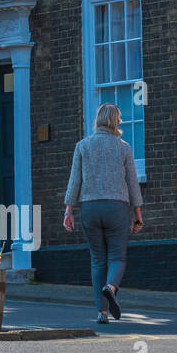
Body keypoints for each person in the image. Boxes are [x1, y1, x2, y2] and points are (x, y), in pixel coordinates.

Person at [63, 103, 144, 323]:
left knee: (97, 259)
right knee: (117, 256)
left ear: (98, 120)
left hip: (89, 208)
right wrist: (137, 212)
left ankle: (102, 312)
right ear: (116, 121)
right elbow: (132, 182)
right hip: (117, 207)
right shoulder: (123, 147)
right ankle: (110, 287)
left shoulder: (82, 146)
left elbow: (74, 181)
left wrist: (68, 211)